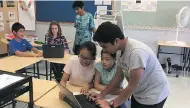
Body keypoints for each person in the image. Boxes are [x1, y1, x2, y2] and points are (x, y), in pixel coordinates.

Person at [89, 22, 169, 108]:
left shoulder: (136, 53)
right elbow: (118, 76)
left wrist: (111, 104)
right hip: (139, 91)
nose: (105, 50)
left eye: (105, 47)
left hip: (153, 94)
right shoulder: (119, 50)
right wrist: (102, 95)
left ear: (116, 41)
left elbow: (132, 86)